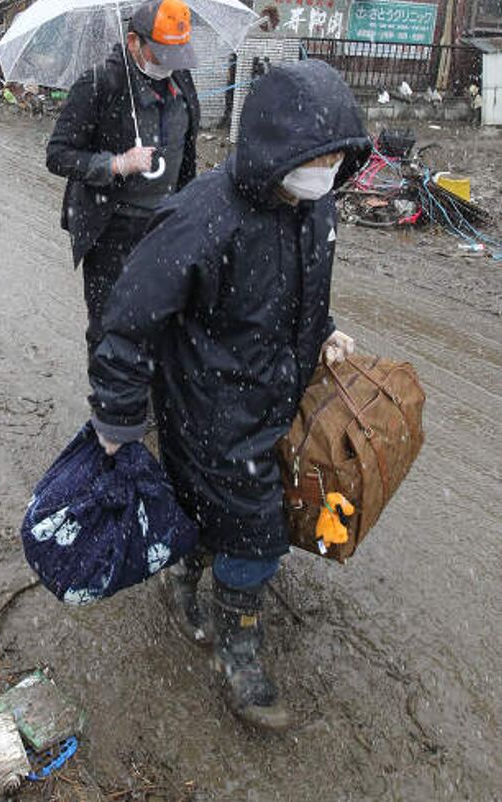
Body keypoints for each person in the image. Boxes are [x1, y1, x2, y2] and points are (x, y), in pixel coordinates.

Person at [88, 59, 371, 731]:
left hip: (277, 393)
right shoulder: (201, 216)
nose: (325, 169)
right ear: (278, 145)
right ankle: (240, 650)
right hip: (210, 407)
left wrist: (324, 331)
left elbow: (301, 287)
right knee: (257, 535)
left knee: (211, 510)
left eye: (337, 156)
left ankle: (185, 571)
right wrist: (117, 420)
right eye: (316, 155)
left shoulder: (314, 204)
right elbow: (128, 320)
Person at [46, 0, 200, 356]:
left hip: (165, 227)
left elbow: (188, 151)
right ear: (135, 43)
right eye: (163, 53)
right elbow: (58, 155)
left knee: (162, 320)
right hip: (112, 227)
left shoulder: (182, 79)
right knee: (110, 325)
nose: (171, 65)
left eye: (179, 55)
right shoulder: (101, 83)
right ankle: (111, 408)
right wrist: (115, 165)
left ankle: (148, 397)